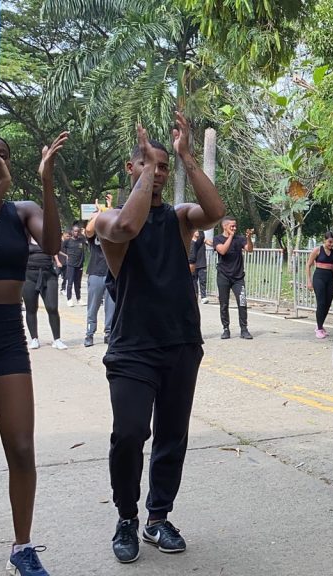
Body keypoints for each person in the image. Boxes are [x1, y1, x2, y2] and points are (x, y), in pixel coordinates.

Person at [93, 114, 225, 564]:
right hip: (132, 347)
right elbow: (127, 229)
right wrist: (148, 170)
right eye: (150, 164)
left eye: (163, 167)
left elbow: (215, 212)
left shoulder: (179, 218)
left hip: (180, 343)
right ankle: (126, 517)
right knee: (129, 434)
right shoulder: (108, 220)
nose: (159, 172)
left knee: (172, 435)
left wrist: (186, 156)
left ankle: (158, 517)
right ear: (131, 168)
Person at [0, 130, 66, 575]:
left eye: (1, 155)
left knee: (22, 447)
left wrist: (46, 181)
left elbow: (54, 245)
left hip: (6, 333)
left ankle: (22, 548)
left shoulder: (22, 211)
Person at [23, 239, 67, 350]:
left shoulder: (47, 237)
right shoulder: (24, 236)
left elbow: (56, 249)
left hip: (48, 274)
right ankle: (34, 338)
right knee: (31, 308)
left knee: (52, 307)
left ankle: (57, 339)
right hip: (29, 275)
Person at [214, 217, 254, 339]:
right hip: (223, 276)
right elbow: (222, 251)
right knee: (224, 304)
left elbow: (250, 249)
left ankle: (244, 329)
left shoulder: (240, 238)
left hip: (238, 277)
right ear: (224, 226)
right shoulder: (217, 239)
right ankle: (226, 329)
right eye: (232, 226)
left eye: (235, 226)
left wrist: (248, 238)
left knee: (242, 302)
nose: (234, 228)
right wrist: (230, 236)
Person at [83, 197, 115, 347]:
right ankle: (90, 333)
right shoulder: (93, 235)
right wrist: (99, 212)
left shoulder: (112, 232)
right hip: (96, 272)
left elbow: (116, 219)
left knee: (111, 306)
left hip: (111, 273)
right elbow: (89, 230)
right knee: (93, 306)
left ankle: (109, 333)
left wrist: (109, 208)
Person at [306, 231, 333, 339]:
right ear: (324, 240)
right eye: (330, 242)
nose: (331, 244)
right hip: (319, 278)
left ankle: (320, 324)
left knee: (327, 303)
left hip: (329, 279)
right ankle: (319, 328)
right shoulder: (317, 250)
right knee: (321, 303)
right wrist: (309, 281)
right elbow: (308, 265)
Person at [61, 223, 87, 307]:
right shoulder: (68, 241)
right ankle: (69, 299)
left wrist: (84, 234)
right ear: (72, 232)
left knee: (77, 283)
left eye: (78, 231)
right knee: (70, 282)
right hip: (71, 265)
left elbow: (88, 243)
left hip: (79, 265)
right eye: (75, 231)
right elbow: (59, 249)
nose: (76, 233)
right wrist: (66, 256)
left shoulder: (81, 240)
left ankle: (79, 299)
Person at [188, 229, 208, 304]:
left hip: (201, 262)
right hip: (192, 263)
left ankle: (203, 296)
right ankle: (194, 297)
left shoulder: (201, 236)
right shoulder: (190, 240)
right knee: (193, 281)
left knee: (203, 280)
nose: (197, 232)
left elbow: (202, 237)